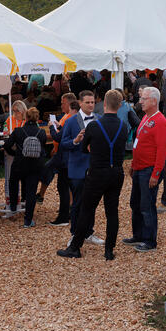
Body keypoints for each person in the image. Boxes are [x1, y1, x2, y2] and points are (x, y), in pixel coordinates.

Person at [57, 89, 129, 261]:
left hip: (97, 172)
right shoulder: (123, 126)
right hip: (116, 172)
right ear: (119, 105)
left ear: (104, 104)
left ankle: (75, 247)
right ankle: (109, 250)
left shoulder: (94, 126)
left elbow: (84, 148)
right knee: (112, 212)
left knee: (87, 209)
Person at [125, 86, 166, 253]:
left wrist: (156, 174)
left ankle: (150, 241)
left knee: (147, 205)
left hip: (149, 170)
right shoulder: (146, 117)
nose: (140, 101)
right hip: (139, 168)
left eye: (144, 99)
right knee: (135, 203)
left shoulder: (160, 121)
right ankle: (138, 235)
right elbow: (140, 143)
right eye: (141, 98)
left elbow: (162, 150)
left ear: (154, 101)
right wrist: (133, 165)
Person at [59, 91, 99, 242]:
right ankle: (75, 235)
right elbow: (63, 144)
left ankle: (89, 232)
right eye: (87, 102)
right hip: (77, 167)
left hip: (95, 167)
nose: (91, 105)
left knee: (92, 202)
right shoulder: (70, 121)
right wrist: (75, 141)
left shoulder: (99, 119)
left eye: (92, 102)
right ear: (80, 103)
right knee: (77, 202)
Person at [5, 107, 48, 227]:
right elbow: (43, 147)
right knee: (31, 192)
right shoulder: (41, 133)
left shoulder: (18, 131)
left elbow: (7, 145)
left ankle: (13, 207)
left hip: (19, 163)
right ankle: (28, 220)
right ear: (37, 118)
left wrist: (15, 153)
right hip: (35, 165)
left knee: (13, 182)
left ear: (26, 117)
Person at [38, 92, 75, 211]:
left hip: (64, 154)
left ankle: (68, 206)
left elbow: (60, 136)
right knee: (49, 171)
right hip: (60, 152)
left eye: (63, 103)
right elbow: (62, 132)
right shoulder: (65, 116)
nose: (61, 105)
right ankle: (41, 195)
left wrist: (51, 128)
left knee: (63, 181)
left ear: (69, 103)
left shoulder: (70, 118)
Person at [2, 100, 28, 215]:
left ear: (23, 111)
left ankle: (24, 200)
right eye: (13, 111)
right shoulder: (9, 120)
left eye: (17, 111)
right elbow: (5, 133)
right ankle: (10, 202)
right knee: (9, 177)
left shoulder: (27, 121)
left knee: (25, 178)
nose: (15, 113)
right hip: (11, 152)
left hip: (25, 153)